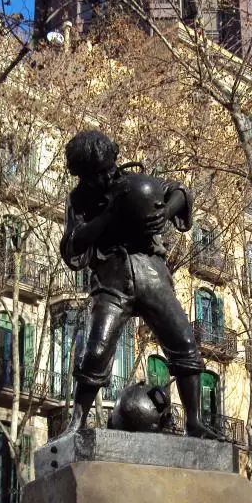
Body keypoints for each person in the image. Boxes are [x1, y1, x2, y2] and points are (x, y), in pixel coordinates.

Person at [59, 130, 220, 439]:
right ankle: (76, 423)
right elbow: (72, 244)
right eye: (97, 174)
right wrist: (108, 216)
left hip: (151, 273)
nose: (107, 176)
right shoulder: (79, 199)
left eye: (109, 168)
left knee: (184, 344)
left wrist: (164, 214)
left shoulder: (132, 181)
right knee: (96, 350)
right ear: (84, 174)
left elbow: (180, 192)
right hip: (112, 280)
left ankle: (195, 422)